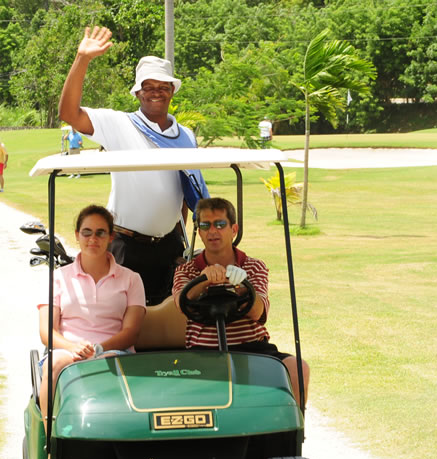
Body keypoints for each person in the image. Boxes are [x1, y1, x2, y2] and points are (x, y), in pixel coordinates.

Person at [59, 26, 208, 306]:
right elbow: (68, 113)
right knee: (125, 327)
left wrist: (180, 239)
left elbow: (185, 191)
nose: (156, 93)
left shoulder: (185, 135)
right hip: (127, 248)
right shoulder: (120, 124)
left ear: (172, 92)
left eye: (163, 87)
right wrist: (83, 59)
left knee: (169, 325)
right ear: (138, 93)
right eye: (148, 87)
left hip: (169, 248)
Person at [172, 197, 310, 408]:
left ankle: (291, 433)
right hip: (202, 350)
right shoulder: (187, 270)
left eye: (220, 224)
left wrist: (241, 286)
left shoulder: (254, 267)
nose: (212, 231)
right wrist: (204, 281)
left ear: (233, 229)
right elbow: (181, 303)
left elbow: (258, 312)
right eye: (205, 226)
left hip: (252, 348)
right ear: (199, 231)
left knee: (297, 367)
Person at [37, 204, 146, 422]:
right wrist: (73, 347)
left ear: (111, 237)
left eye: (100, 233)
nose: (92, 239)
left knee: (107, 364)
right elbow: (46, 331)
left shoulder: (131, 279)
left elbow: (131, 332)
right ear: (77, 235)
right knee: (54, 365)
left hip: (114, 350)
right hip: (68, 350)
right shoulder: (58, 277)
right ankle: (51, 442)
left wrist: (98, 348)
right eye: (86, 232)